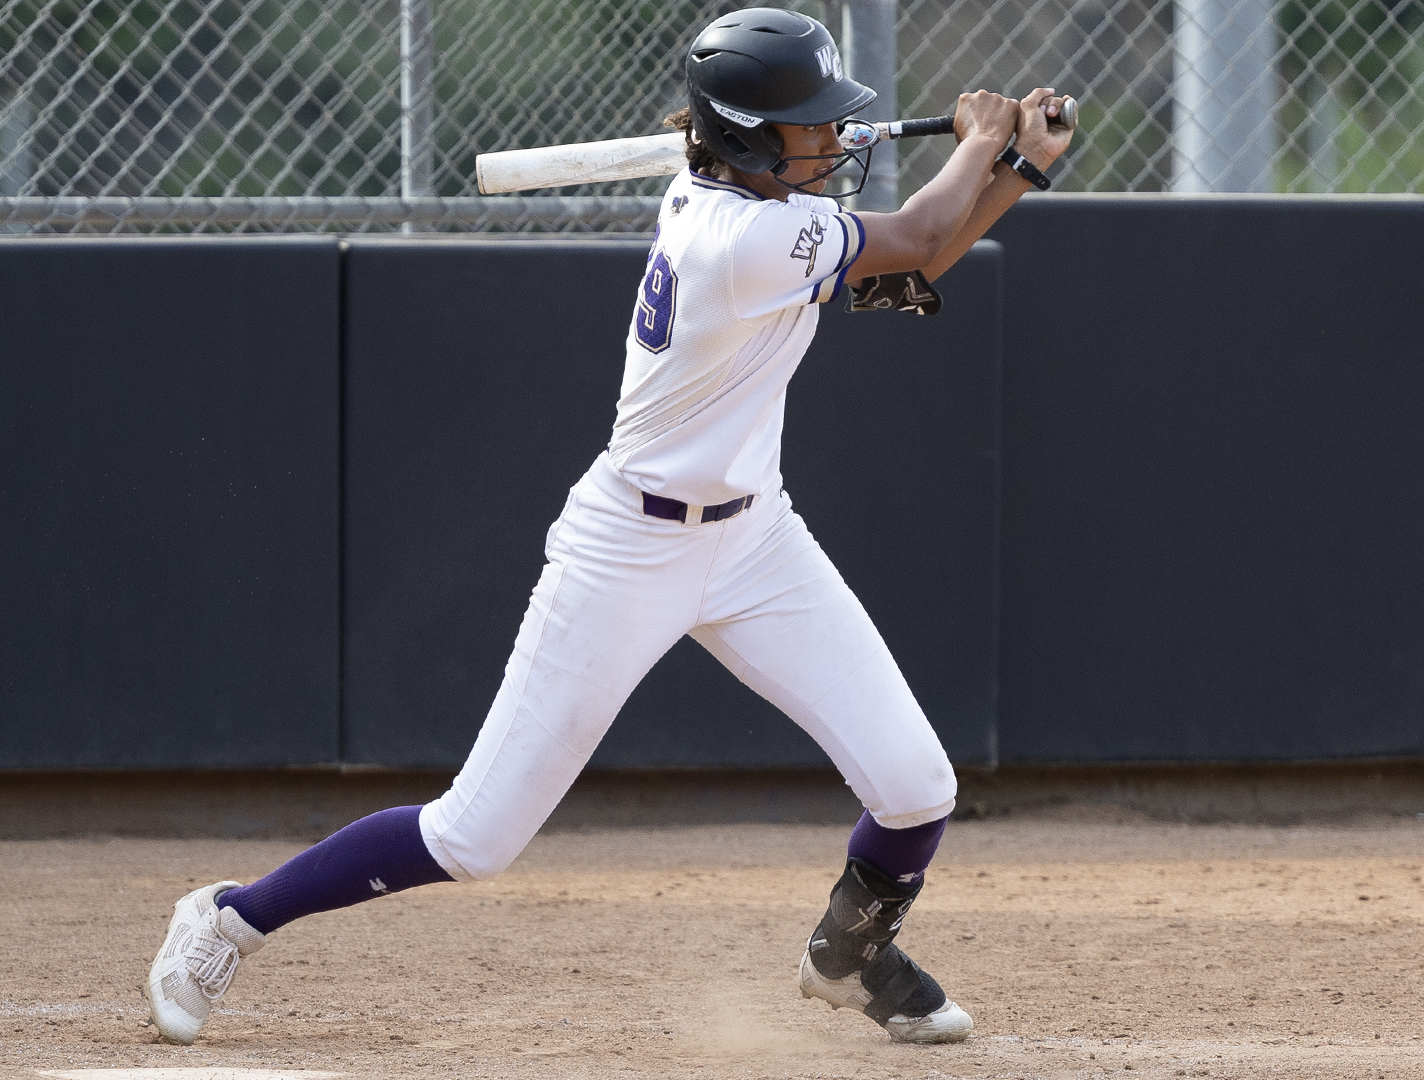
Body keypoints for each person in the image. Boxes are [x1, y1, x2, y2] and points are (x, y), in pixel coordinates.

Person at [144, 5, 1072, 1048]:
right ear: (747, 140)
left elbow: (907, 271)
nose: (830, 137)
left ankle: (850, 955)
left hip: (756, 538)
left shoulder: (765, 209)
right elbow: (915, 236)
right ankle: (230, 917)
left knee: (916, 787)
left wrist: (1020, 169)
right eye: (809, 123)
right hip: (629, 548)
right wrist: (981, 142)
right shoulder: (742, 237)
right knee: (474, 836)